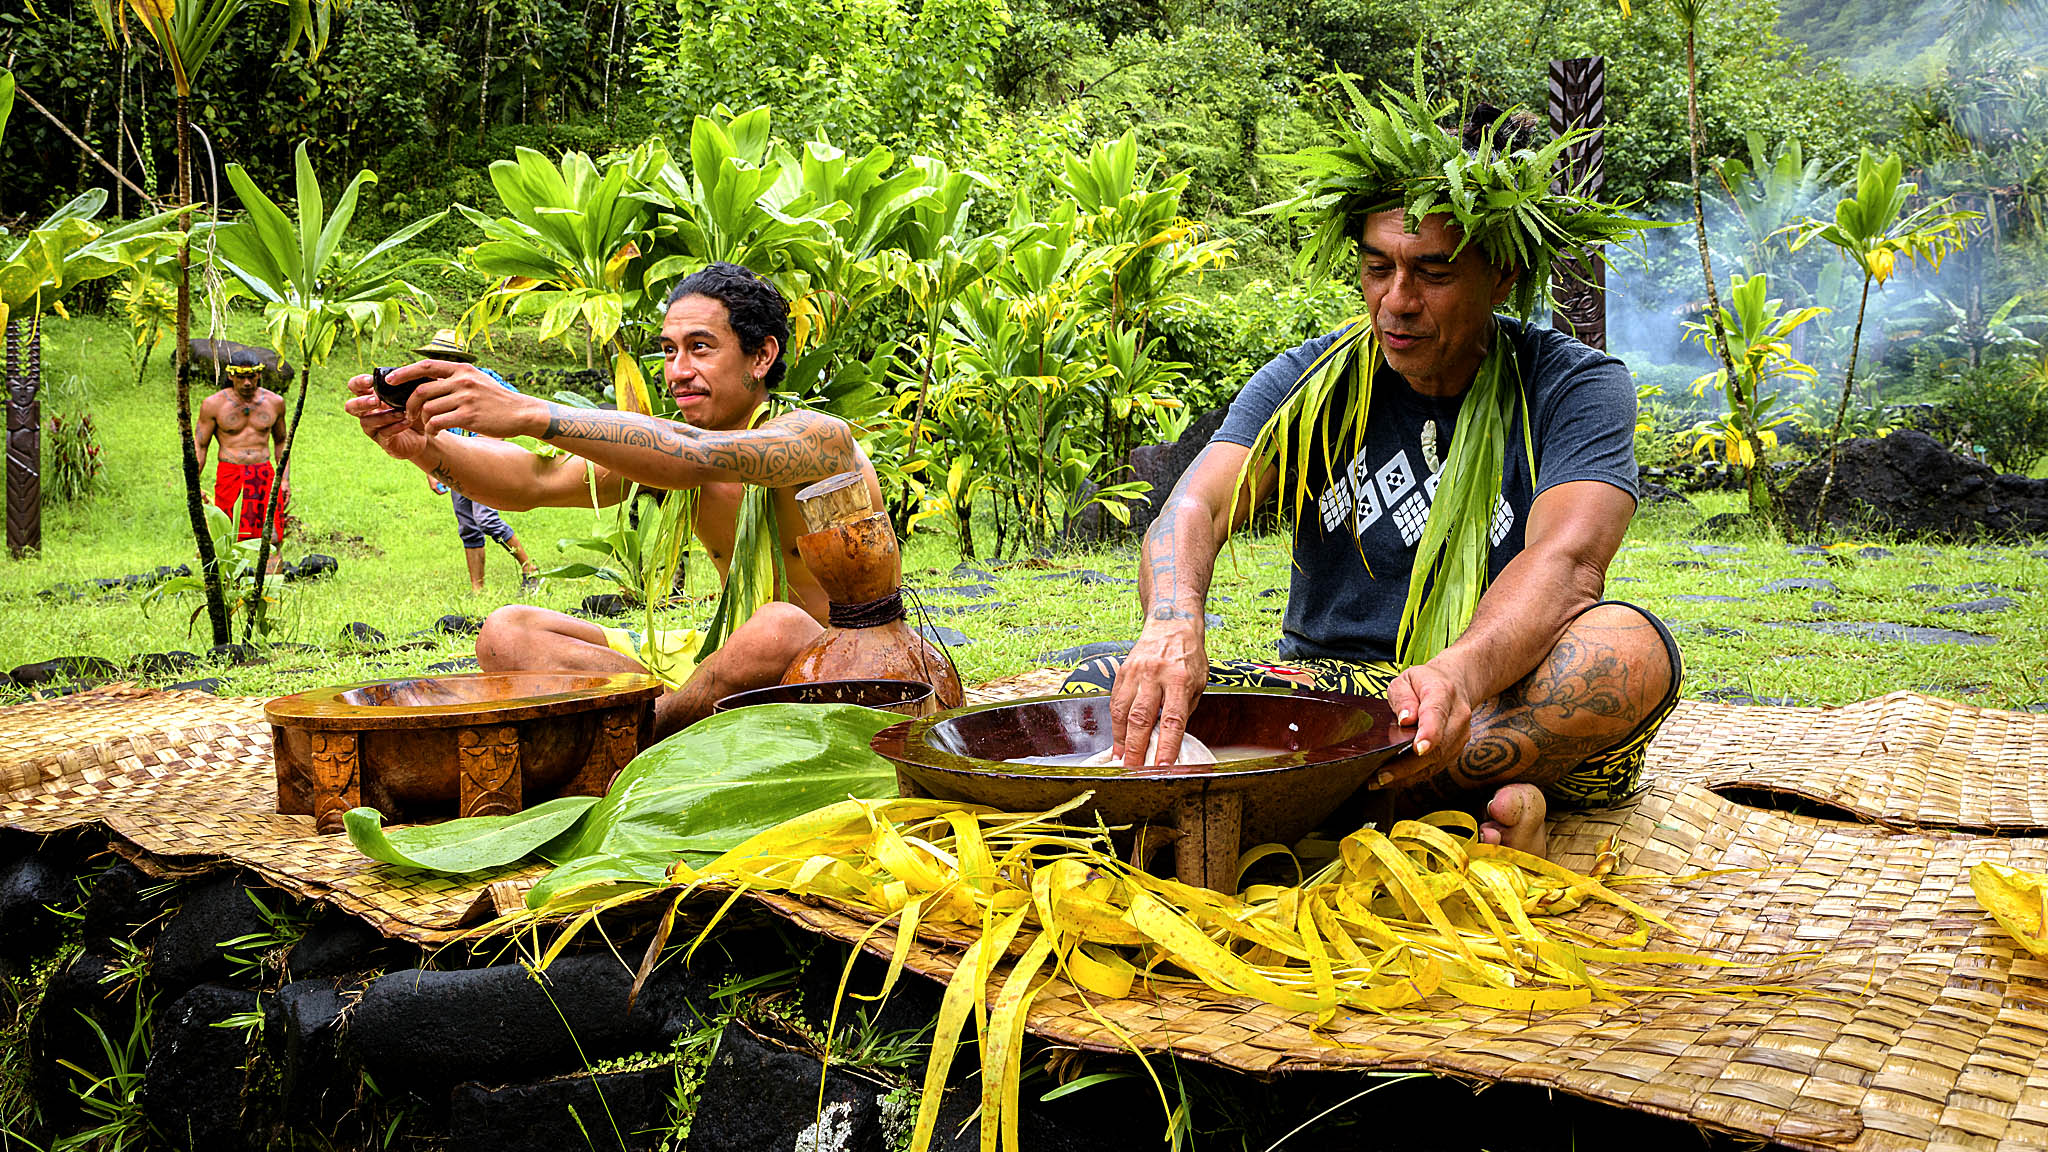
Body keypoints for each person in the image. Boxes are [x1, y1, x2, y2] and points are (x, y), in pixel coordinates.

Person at [1080, 99, 1682, 858]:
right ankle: (1453, 810)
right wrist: (1172, 621)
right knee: (1098, 683)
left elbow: (1565, 565)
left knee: (1623, 653)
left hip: (1499, 693)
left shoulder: (1573, 386)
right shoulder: (1310, 380)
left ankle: (1296, 807)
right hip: (1335, 700)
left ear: (1504, 276)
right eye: (1377, 268)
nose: (1396, 300)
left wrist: (1457, 676)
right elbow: (1194, 503)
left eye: (1432, 272)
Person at [345, 263, 876, 736]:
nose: (677, 371)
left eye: (700, 347)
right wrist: (421, 446)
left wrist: (532, 414)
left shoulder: (817, 440)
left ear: (761, 356)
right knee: (508, 632)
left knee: (776, 627)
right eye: (669, 350)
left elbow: (700, 455)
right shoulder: (662, 453)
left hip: (837, 665)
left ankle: (640, 732)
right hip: (724, 661)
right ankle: (669, 716)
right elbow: (533, 482)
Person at [409, 329, 543, 593]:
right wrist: (431, 471)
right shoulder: (428, 392)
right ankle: (477, 590)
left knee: (486, 519)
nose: (439, 364)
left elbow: (518, 408)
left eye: (446, 357)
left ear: (461, 361)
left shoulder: (484, 380)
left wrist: (489, 439)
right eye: (435, 357)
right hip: (455, 461)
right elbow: (426, 429)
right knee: (468, 525)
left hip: (485, 460)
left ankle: (531, 569)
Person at [195, 349, 289, 551]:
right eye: (241, 377)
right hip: (231, 474)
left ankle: (270, 579)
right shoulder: (213, 405)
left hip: (263, 473)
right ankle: (232, 581)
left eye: (251, 377)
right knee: (228, 534)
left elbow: (281, 441)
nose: (247, 383)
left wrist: (285, 479)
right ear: (230, 376)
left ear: (259, 375)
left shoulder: (275, 403)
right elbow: (200, 445)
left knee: (272, 534)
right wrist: (194, 484)